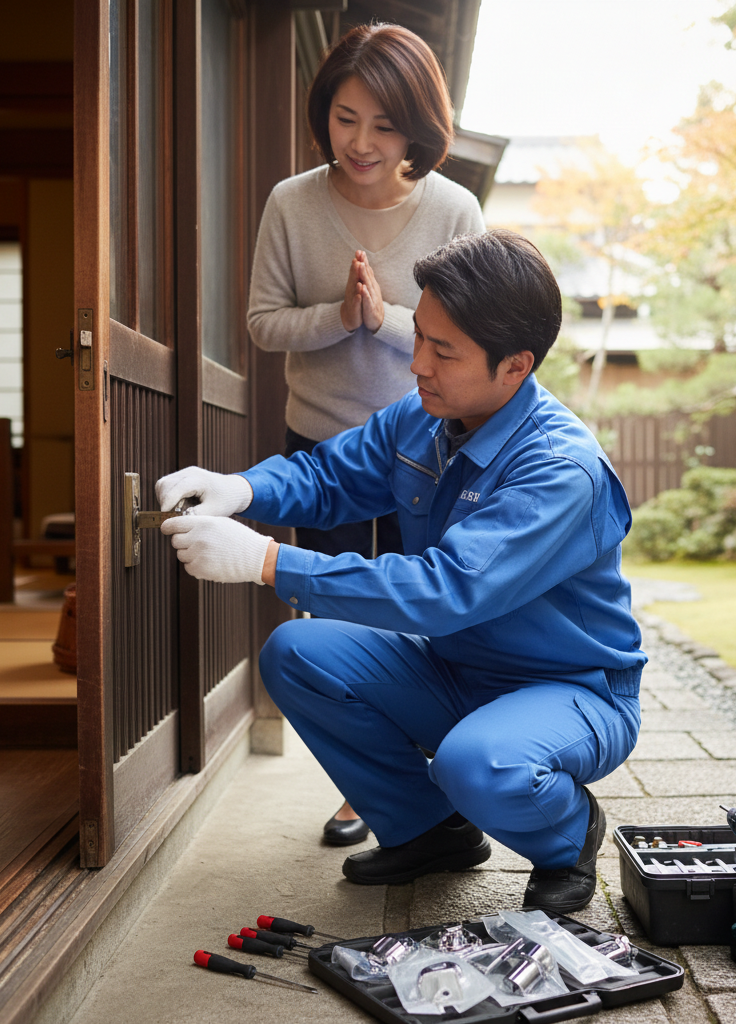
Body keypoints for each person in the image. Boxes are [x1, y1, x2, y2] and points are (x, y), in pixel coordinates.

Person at [157, 231, 646, 913]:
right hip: (457, 669)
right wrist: (241, 489)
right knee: (298, 653)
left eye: (443, 351)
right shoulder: (422, 418)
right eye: (419, 335)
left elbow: (445, 591)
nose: (417, 363)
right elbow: (329, 476)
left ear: (515, 366)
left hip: (569, 691)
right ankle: (432, 831)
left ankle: (567, 836)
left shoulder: (559, 471)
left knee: (478, 764)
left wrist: (268, 561)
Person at [246, 22, 485, 846]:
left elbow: (472, 335)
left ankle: (437, 768)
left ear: (418, 126)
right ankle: (368, 785)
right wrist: (336, 317)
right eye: (347, 118)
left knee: (426, 614)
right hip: (321, 442)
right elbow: (263, 324)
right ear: (326, 113)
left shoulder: (455, 208)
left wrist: (383, 323)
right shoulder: (292, 201)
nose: (362, 142)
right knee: (334, 616)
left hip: (429, 441)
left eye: (384, 125)